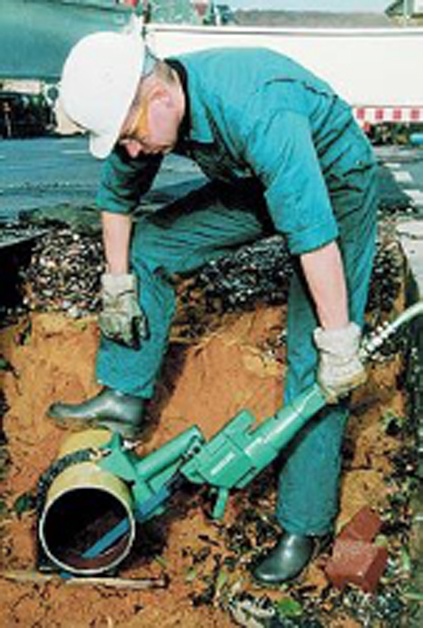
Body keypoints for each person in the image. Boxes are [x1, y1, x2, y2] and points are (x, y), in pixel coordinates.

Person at [48, 29, 378, 584]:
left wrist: (340, 341)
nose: (133, 152)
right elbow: (117, 197)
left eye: (132, 136)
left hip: (333, 183)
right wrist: (118, 285)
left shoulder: (257, 110)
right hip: (256, 180)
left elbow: (313, 233)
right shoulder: (148, 106)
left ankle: (303, 525)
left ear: (161, 97)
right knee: (148, 250)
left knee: (318, 356)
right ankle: (125, 394)